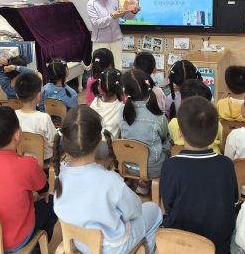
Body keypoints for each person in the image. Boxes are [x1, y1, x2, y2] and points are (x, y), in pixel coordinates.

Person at [52, 105, 162, 254]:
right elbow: (135, 210)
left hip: (79, 241)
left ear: (65, 140)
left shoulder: (59, 172)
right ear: (99, 141)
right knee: (154, 210)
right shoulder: (110, 180)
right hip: (113, 247)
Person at [161, 96, 238, 254]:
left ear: (180, 133)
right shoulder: (226, 164)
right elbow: (233, 200)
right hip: (219, 246)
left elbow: (168, 206)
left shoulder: (170, 165)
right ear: (216, 133)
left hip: (182, 244)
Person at [0, 107, 57, 252]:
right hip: (16, 239)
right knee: (51, 201)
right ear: (17, 134)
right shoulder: (28, 163)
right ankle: (36, 247)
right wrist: (41, 194)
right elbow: (43, 188)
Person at [120, 69, 170, 195]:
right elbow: (164, 137)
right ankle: (145, 182)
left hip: (128, 165)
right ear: (149, 88)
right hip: (153, 169)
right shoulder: (158, 116)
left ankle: (133, 181)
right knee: (168, 140)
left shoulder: (122, 112)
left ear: (125, 93)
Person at [86, 0, 140, 70]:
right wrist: (112, 16)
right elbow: (97, 23)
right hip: (100, 42)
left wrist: (133, 12)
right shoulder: (91, 4)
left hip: (116, 40)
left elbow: (125, 16)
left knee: (117, 67)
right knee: (100, 69)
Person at [168, 79, 223, 154]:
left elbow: (170, 142)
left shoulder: (173, 123)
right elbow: (221, 144)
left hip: (181, 158)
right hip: (214, 156)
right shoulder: (216, 123)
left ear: (182, 102)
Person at [15, 73, 56, 162]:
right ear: (38, 96)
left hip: (22, 156)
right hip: (44, 158)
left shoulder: (13, 115)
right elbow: (53, 141)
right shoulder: (44, 118)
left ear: (17, 96)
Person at [89, 68, 124, 158]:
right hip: (107, 149)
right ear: (120, 86)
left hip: (90, 146)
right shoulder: (121, 108)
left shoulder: (95, 101)